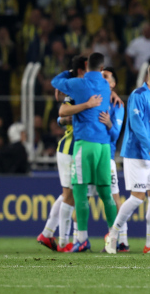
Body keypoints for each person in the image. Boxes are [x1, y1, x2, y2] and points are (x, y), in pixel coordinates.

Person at [105, 61, 150, 254]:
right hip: (138, 153)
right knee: (137, 198)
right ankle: (112, 235)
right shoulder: (138, 95)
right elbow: (136, 123)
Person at [51, 52, 117, 253]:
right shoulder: (106, 86)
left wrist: (71, 71)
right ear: (102, 67)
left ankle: (82, 239)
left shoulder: (79, 84)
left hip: (85, 143)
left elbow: (56, 81)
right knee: (107, 196)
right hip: (104, 146)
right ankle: (114, 238)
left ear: (87, 65)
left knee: (79, 194)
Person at [37, 56, 102, 252]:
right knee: (70, 195)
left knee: (71, 195)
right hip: (71, 148)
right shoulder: (78, 89)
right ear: (84, 69)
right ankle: (64, 241)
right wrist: (84, 112)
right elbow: (62, 115)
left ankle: (49, 233)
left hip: (82, 148)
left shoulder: (85, 88)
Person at [98, 67, 126, 251]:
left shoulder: (117, 106)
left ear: (113, 83)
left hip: (107, 156)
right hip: (90, 153)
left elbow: (115, 134)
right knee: (77, 196)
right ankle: (77, 239)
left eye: (106, 77)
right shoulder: (93, 98)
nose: (102, 79)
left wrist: (108, 123)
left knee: (114, 198)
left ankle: (121, 241)